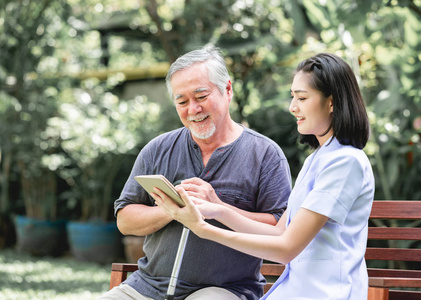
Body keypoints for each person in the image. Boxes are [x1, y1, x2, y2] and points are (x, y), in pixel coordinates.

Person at [153, 53, 375, 300]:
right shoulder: (318, 159)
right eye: (293, 97)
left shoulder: (345, 163)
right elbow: (281, 232)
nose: (293, 107)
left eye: (302, 98)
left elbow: (286, 249)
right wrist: (218, 209)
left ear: (331, 102)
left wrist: (203, 229)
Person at [99, 45, 292, 300]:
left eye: (201, 97)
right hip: (147, 287)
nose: (193, 109)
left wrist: (218, 207)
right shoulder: (157, 149)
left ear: (228, 90)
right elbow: (125, 220)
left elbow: (280, 227)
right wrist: (172, 209)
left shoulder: (265, 154)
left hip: (224, 290)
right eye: (182, 101)